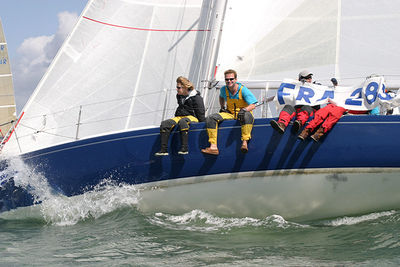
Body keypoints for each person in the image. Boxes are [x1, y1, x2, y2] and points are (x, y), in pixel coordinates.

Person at [201, 69, 257, 155]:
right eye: (227, 79)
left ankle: (244, 143)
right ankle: (213, 147)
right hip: (230, 114)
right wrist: (222, 107)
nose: (229, 81)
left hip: (243, 114)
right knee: (211, 118)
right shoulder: (224, 89)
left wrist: (244, 110)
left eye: (231, 79)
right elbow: (221, 97)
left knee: (247, 116)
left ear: (236, 79)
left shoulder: (243, 90)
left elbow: (253, 105)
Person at [155, 76, 205, 156]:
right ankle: (164, 150)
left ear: (185, 87)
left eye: (178, 88)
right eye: (176, 87)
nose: (177, 89)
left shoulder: (196, 98)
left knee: (183, 122)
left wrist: (203, 125)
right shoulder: (179, 96)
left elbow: (201, 113)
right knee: (165, 123)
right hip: (180, 116)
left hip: (192, 117)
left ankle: (184, 148)